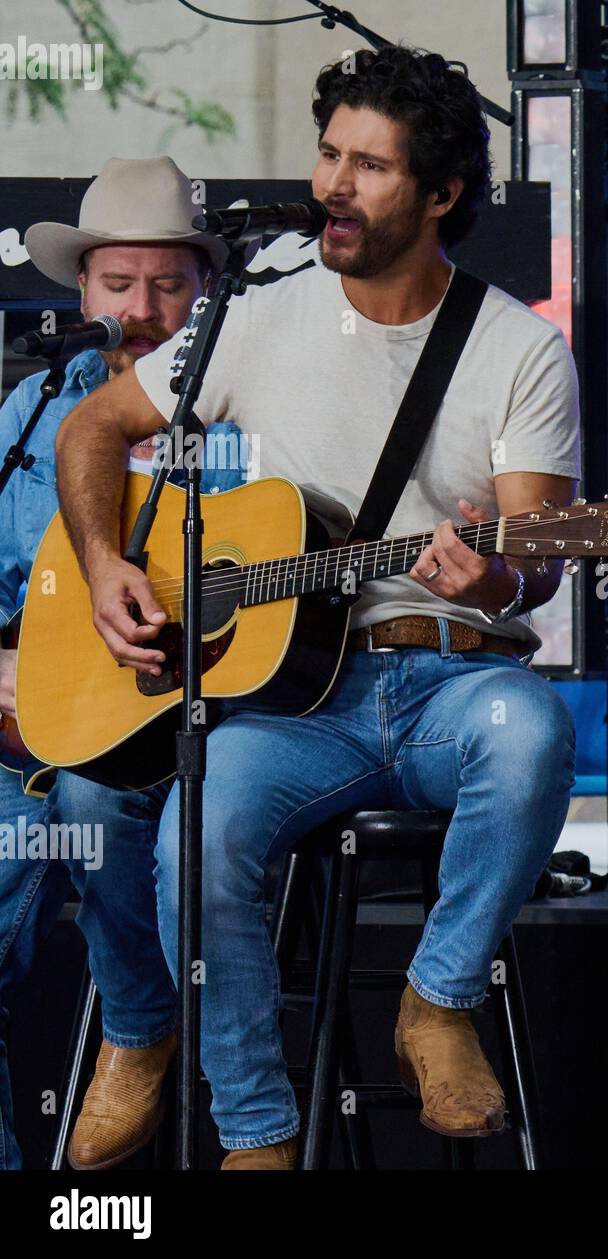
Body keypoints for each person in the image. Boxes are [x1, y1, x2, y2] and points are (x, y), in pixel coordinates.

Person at [55, 47, 581, 1169]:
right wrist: (106, 566)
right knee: (198, 828)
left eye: (371, 166)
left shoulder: (520, 347)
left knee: (532, 732)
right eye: (330, 154)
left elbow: (539, 555)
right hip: (302, 700)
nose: (335, 183)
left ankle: (437, 1001)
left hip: (454, 682)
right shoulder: (256, 311)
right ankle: (255, 1129)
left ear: (441, 194)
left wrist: (489, 576)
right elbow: (92, 429)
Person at [0, 156, 244, 1169]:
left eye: (169, 284)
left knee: (100, 802)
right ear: (81, 292)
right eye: (116, 284)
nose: (141, 310)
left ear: (206, 292)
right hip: (17, 753)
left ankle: (144, 1031)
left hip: (164, 750)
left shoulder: (244, 426)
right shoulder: (27, 416)